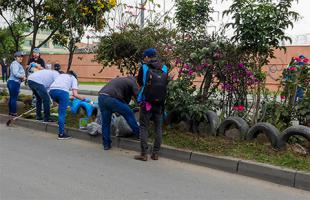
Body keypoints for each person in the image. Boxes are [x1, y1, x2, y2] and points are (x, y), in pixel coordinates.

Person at [134, 48, 168, 161]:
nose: (144, 58)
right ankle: (155, 153)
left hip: (146, 102)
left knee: (144, 127)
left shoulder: (144, 67)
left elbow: (139, 82)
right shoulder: (164, 68)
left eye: (145, 56)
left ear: (148, 57)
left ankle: (144, 154)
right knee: (158, 128)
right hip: (160, 103)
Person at [98, 76, 140, 150]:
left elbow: (123, 98)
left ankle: (106, 144)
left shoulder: (122, 80)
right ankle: (139, 135)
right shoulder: (133, 82)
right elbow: (137, 96)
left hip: (101, 97)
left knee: (106, 123)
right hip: (111, 98)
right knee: (129, 114)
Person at [49, 71, 86, 139]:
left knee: (62, 107)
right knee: (62, 113)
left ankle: (61, 123)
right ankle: (61, 134)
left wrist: (55, 102)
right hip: (62, 93)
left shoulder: (61, 76)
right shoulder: (73, 78)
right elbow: (75, 94)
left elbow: (56, 88)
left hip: (51, 91)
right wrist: (82, 98)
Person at [7, 52, 26, 117]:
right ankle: (14, 113)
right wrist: (23, 77)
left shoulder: (17, 64)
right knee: (14, 98)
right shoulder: (15, 63)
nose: (21, 58)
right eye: (19, 57)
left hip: (13, 82)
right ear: (15, 57)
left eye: (21, 56)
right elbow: (15, 73)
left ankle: (11, 112)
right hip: (13, 82)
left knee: (12, 98)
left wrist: (22, 78)